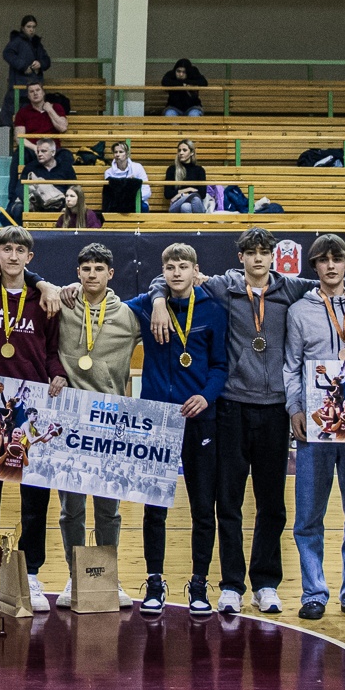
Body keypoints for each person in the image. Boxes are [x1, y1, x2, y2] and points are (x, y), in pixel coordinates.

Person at [148, 227, 317, 614]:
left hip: (274, 408)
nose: (257, 258)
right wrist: (157, 298)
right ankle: (231, 584)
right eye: (250, 252)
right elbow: (173, 277)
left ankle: (266, 583)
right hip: (231, 407)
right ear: (240, 257)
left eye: (264, 252)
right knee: (229, 502)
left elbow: (334, 282)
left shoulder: (290, 288)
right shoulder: (223, 286)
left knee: (272, 503)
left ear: (272, 256)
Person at [0, 226, 67, 611]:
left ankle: (31, 574)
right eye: (5, 249)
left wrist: (57, 373)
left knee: (35, 501)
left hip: (34, 411)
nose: (12, 256)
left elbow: (53, 350)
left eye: (19, 250)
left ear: (30, 257)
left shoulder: (44, 300)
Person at [281, 235, 345, 621]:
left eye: (338, 259)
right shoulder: (298, 311)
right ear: (315, 266)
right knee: (308, 515)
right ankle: (313, 592)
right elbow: (291, 365)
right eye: (323, 260)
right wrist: (294, 408)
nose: (331, 266)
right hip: (316, 424)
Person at [125, 242, 223, 614]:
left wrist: (207, 396)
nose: (177, 272)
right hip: (157, 418)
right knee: (155, 508)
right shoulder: (145, 305)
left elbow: (220, 364)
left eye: (183, 266)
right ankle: (154, 582)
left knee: (203, 507)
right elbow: (105, 306)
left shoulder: (213, 309)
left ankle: (199, 584)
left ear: (196, 271)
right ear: (162, 272)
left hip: (199, 418)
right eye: (170, 267)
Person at [55, 243, 142, 608]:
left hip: (110, 422)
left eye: (99, 268)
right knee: (71, 510)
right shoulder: (63, 305)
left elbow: (166, 296)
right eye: (86, 268)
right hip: (69, 422)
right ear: (78, 273)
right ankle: (75, 577)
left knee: (109, 510)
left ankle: (108, 577)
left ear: (111, 273)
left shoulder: (129, 315)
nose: (92, 274)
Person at [0, 14, 51, 125]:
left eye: (33, 27)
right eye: (29, 27)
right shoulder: (17, 41)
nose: (31, 30)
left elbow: (47, 60)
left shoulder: (37, 43)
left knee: (32, 119)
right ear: (23, 28)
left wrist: (40, 63)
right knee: (21, 118)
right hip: (21, 86)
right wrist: (24, 66)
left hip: (32, 85)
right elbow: (7, 54)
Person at [19, 137, 75, 214]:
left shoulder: (66, 167)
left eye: (43, 151)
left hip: (60, 203)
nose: (39, 154)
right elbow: (20, 188)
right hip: (37, 204)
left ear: (53, 152)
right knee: (18, 209)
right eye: (38, 151)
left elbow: (74, 188)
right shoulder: (30, 167)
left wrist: (67, 205)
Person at [102, 139, 149, 213]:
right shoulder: (108, 172)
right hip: (117, 204)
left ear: (127, 154)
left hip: (136, 201)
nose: (117, 155)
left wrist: (131, 199)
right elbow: (111, 195)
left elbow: (146, 191)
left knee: (144, 207)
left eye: (121, 152)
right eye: (115, 152)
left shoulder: (138, 167)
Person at [163, 138, 209, 213]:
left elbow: (202, 194)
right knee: (194, 198)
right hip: (176, 204)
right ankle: (201, 220)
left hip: (194, 204)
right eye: (179, 150)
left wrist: (180, 194)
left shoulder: (199, 170)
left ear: (192, 153)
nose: (181, 153)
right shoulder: (172, 169)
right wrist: (188, 189)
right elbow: (167, 194)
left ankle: (193, 221)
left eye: (184, 150)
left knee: (186, 206)